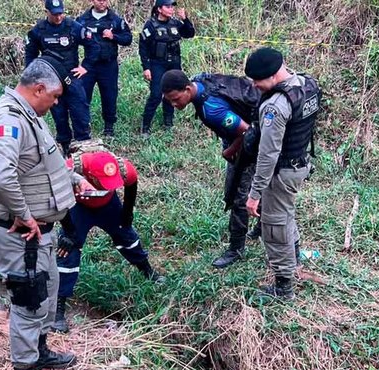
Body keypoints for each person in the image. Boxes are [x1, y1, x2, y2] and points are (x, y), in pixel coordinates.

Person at [0, 58, 84, 370]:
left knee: (47, 290)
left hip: (39, 238)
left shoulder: (28, 115)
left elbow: (43, 165)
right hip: (21, 238)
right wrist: (24, 216)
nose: (55, 103)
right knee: (29, 305)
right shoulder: (8, 120)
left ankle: (38, 354)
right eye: (53, 96)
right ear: (38, 89)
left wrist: (74, 181)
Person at [52, 141, 166, 333]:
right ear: (90, 176)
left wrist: (127, 214)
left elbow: (131, 184)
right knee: (67, 249)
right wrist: (68, 230)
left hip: (108, 206)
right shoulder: (71, 168)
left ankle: (147, 271)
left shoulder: (123, 168)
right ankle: (58, 307)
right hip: (78, 207)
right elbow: (57, 195)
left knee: (127, 238)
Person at [161, 70, 262, 269]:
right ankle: (261, 228)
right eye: (169, 101)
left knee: (238, 196)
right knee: (257, 186)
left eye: (175, 99)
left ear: (188, 89)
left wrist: (229, 151)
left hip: (249, 145)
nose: (174, 104)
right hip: (248, 136)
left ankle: (236, 248)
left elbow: (247, 131)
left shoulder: (212, 109)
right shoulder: (200, 80)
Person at [243, 47, 322, 300]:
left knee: (274, 225)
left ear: (274, 75)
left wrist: (254, 194)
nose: (254, 86)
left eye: (257, 81)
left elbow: (268, 155)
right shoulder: (306, 85)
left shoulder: (276, 106)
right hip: (300, 164)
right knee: (286, 213)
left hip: (282, 172)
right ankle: (296, 255)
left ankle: (283, 286)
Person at [25, 0, 99, 153]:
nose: (58, 17)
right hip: (51, 80)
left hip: (72, 78)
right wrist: (35, 76)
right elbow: (30, 55)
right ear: (47, 12)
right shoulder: (39, 30)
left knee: (80, 113)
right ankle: (65, 148)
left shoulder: (73, 27)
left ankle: (83, 147)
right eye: (54, 14)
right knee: (59, 116)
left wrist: (85, 67)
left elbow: (94, 46)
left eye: (61, 13)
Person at [138, 0, 195, 136]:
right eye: (168, 7)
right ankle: (145, 127)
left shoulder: (175, 23)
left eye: (172, 7)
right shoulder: (151, 25)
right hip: (157, 64)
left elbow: (190, 33)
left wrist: (185, 19)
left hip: (174, 64)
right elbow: (143, 47)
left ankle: (168, 123)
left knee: (173, 93)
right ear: (159, 9)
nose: (171, 9)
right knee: (156, 95)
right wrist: (146, 67)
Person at [77, 0, 133, 137]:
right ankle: (83, 126)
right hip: (89, 66)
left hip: (108, 65)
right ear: (92, 1)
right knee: (82, 96)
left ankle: (109, 127)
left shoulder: (116, 20)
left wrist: (113, 36)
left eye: (105, 0)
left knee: (109, 96)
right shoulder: (82, 20)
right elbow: (73, 39)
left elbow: (128, 39)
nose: (102, 2)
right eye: (98, 0)